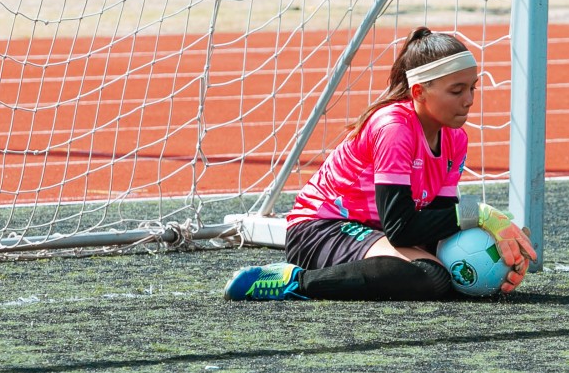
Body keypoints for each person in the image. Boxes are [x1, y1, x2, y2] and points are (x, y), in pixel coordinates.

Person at [225, 28, 537, 302]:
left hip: (375, 232)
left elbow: (437, 221)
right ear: (419, 92)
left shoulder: (456, 139)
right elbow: (401, 228)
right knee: (431, 277)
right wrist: (478, 214)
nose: (468, 99)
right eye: (456, 91)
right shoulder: (394, 128)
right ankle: (294, 281)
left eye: (472, 88)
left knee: (448, 277)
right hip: (320, 229)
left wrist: (494, 254)